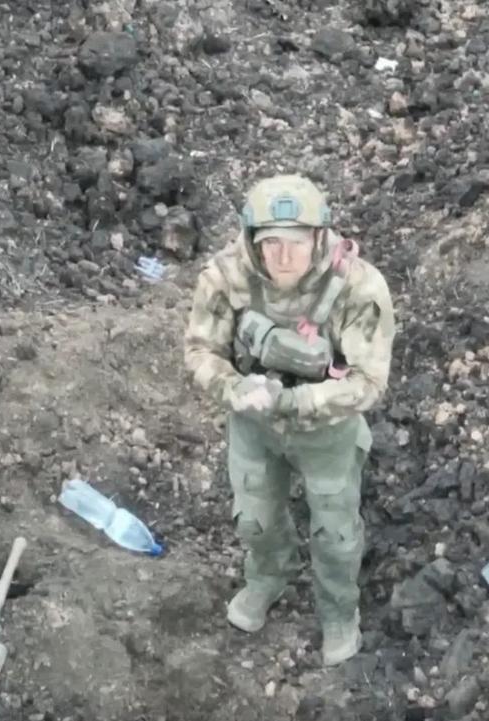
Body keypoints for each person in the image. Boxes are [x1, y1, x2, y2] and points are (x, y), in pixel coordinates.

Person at [183, 174, 396, 666]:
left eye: (296, 244)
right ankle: (268, 577)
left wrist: (297, 404)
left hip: (326, 431)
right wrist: (234, 387)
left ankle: (340, 611)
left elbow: (368, 382)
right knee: (255, 518)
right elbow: (200, 349)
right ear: (252, 241)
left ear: (319, 237)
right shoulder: (226, 276)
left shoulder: (357, 286)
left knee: (336, 532)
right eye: (270, 243)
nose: (283, 258)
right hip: (254, 425)